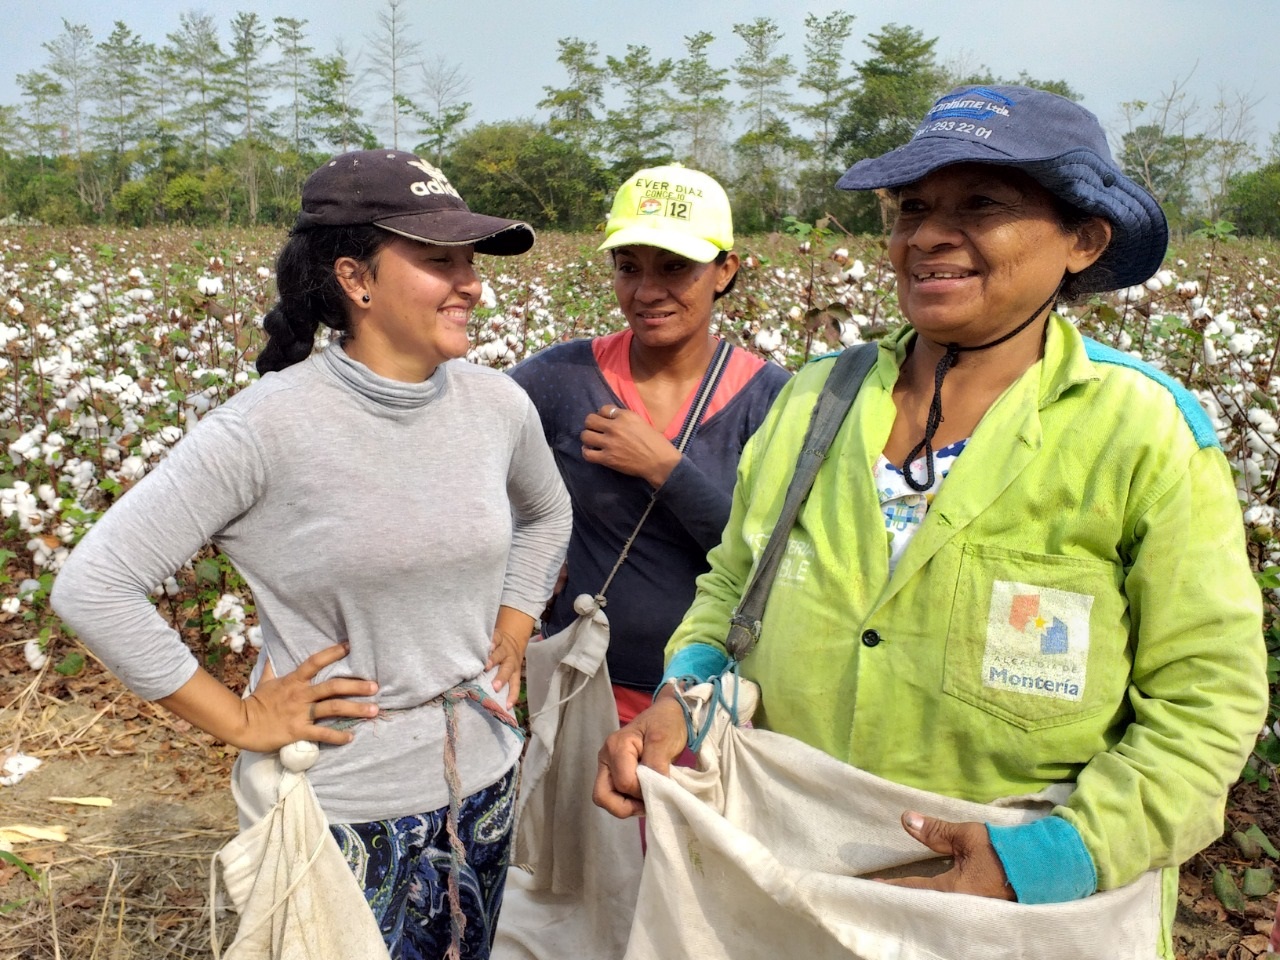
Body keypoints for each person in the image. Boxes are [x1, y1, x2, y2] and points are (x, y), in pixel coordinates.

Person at [594, 86, 1268, 949]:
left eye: (982, 204)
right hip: (792, 874)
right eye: (913, 208)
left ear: (1083, 240)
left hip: (1025, 905)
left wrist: (1052, 858)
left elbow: (1206, 704)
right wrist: (683, 703)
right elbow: (734, 588)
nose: (929, 236)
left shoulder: (1145, 435)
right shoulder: (814, 403)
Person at [51, 150, 572, 960]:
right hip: (342, 809)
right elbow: (95, 585)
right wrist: (240, 718)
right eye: (440, 261)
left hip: (484, 784)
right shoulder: (267, 427)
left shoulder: (497, 404)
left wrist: (512, 623)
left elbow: (546, 513)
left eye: (470, 261)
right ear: (355, 280)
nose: (470, 282)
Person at [510, 163, 790, 725]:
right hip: (579, 686)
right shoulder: (559, 378)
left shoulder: (775, 400)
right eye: (628, 267)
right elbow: (466, 472)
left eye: (675, 267)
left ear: (725, 271)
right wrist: (527, 546)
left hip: (706, 699)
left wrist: (665, 468)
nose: (646, 291)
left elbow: (772, 564)